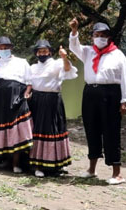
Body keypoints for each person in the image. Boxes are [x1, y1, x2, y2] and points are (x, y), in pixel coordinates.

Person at [69, 18, 126, 185]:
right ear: (92, 37)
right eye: (96, 35)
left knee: (111, 131)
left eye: (103, 35)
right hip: (91, 92)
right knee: (92, 129)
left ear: (108, 37)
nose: (100, 38)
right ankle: (91, 169)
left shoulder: (117, 54)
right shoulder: (88, 52)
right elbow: (74, 47)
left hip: (111, 93)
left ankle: (117, 173)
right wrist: (75, 31)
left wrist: (125, 100)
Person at [0, 36, 33, 174]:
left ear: (11, 48)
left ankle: (17, 163)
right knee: (2, 129)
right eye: (1, 48)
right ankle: (5, 160)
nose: (4, 50)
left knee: (16, 129)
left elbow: (29, 81)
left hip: (17, 97)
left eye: (6, 48)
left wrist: (26, 94)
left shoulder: (22, 62)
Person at [27, 40, 76, 178]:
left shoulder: (57, 63)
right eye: (39, 51)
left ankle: (56, 164)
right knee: (38, 130)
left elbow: (68, 70)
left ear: (49, 52)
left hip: (53, 100)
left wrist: (64, 57)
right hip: (36, 101)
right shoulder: (32, 67)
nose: (42, 53)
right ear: (36, 53)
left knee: (54, 130)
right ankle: (37, 164)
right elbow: (29, 83)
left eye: (45, 51)